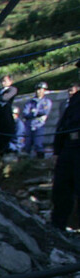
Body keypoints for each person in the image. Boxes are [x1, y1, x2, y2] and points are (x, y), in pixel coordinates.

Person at [51, 63, 80, 231]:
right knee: (61, 189)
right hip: (70, 147)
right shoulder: (76, 98)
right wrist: (57, 149)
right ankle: (57, 227)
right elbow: (63, 124)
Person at [22, 82, 52, 158]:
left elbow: (44, 112)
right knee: (27, 143)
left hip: (39, 125)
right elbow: (25, 113)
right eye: (37, 89)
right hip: (29, 124)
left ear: (44, 90)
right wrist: (35, 113)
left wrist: (34, 112)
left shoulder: (47, 101)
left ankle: (40, 159)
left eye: (41, 89)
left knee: (38, 143)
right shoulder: (30, 102)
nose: (38, 91)